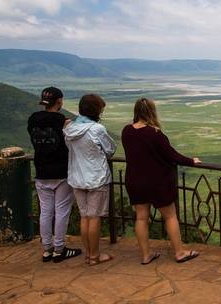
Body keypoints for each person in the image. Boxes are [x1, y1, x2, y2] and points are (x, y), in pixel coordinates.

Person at [121, 98, 201, 265]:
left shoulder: (126, 131)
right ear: (152, 111)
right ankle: (179, 252)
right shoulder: (155, 134)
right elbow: (172, 155)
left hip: (135, 180)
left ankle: (146, 255)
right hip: (156, 182)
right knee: (170, 216)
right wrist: (191, 161)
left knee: (141, 218)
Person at [27, 87, 82, 263]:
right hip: (61, 172)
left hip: (41, 171)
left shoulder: (33, 120)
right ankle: (59, 249)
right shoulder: (63, 121)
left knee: (45, 212)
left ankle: (47, 249)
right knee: (62, 211)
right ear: (59, 102)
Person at [64, 94, 116, 266]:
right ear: (96, 110)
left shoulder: (69, 129)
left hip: (77, 177)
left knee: (84, 217)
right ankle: (94, 256)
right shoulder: (97, 129)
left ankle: (88, 254)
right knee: (94, 218)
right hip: (96, 177)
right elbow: (110, 149)